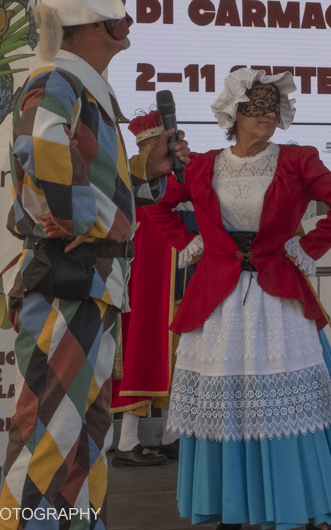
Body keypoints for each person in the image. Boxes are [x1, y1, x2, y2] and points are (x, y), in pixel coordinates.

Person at [146, 68, 331, 530]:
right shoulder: (201, 165)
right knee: (229, 405)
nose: (267, 114)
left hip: (276, 296)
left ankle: (314, 507)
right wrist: (188, 243)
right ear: (233, 113)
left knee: (292, 404)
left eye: (272, 106)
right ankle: (232, 508)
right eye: (256, 106)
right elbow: (155, 204)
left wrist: (306, 245)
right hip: (218, 300)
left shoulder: (297, 159)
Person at [0, 0, 189, 530]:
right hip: (71, 275)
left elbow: (71, 174)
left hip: (86, 277)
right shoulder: (58, 79)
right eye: (122, 16)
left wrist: (137, 175)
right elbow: (40, 155)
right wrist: (91, 219)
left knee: (81, 425)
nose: (128, 25)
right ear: (100, 24)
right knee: (54, 426)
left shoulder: (76, 84)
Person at [109, 110, 186, 467]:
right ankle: (126, 441)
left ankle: (171, 434)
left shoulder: (172, 181)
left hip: (174, 283)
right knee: (140, 349)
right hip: (140, 285)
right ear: (152, 145)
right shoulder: (129, 180)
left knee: (173, 356)